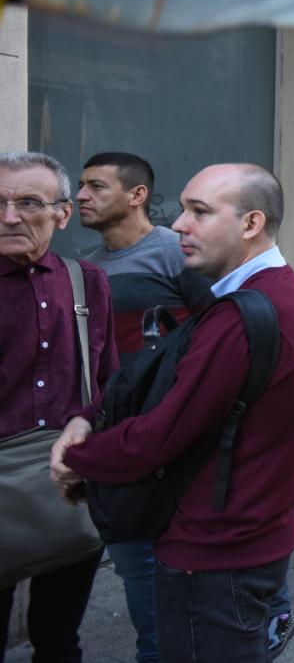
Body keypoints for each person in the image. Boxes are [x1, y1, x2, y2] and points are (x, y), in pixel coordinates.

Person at [53, 163, 294, 663]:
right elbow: (160, 373)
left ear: (251, 224)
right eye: (182, 209)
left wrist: (78, 458)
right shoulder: (266, 297)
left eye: (199, 212)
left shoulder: (246, 314)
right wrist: (91, 415)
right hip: (244, 544)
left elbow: (158, 435)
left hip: (217, 558)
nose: (179, 224)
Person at [76, 152, 224, 663]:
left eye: (96, 186)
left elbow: (216, 335)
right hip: (119, 442)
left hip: (180, 438)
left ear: (137, 195)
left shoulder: (175, 252)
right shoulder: (86, 270)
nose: (81, 196)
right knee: (137, 565)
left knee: (197, 565)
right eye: (80, 185)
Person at [1, 152, 117, 662]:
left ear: (62, 213)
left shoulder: (85, 280)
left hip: (68, 483)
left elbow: (108, 379)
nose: (9, 217)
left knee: (59, 638)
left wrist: (85, 421)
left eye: (28, 202)